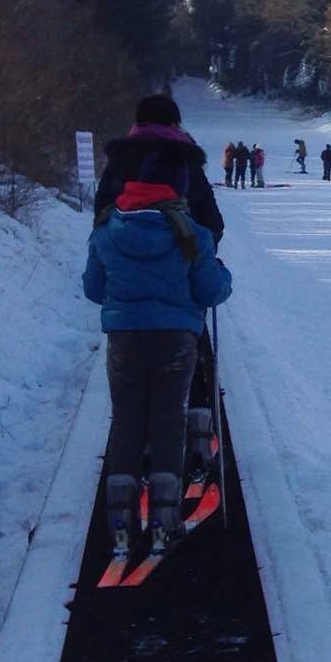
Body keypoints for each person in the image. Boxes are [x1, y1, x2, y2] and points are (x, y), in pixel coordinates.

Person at [83, 144, 233, 567]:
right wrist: (222, 274)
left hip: (125, 340)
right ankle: (165, 521)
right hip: (175, 340)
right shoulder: (191, 235)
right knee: (168, 421)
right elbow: (211, 291)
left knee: (126, 421)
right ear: (177, 190)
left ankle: (119, 525)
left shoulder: (107, 229)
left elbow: (94, 289)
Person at [95, 94, 225, 247]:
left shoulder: (121, 158)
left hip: (121, 257)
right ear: (173, 124)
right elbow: (212, 221)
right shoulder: (184, 158)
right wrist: (198, 258)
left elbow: (101, 210)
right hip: (181, 257)